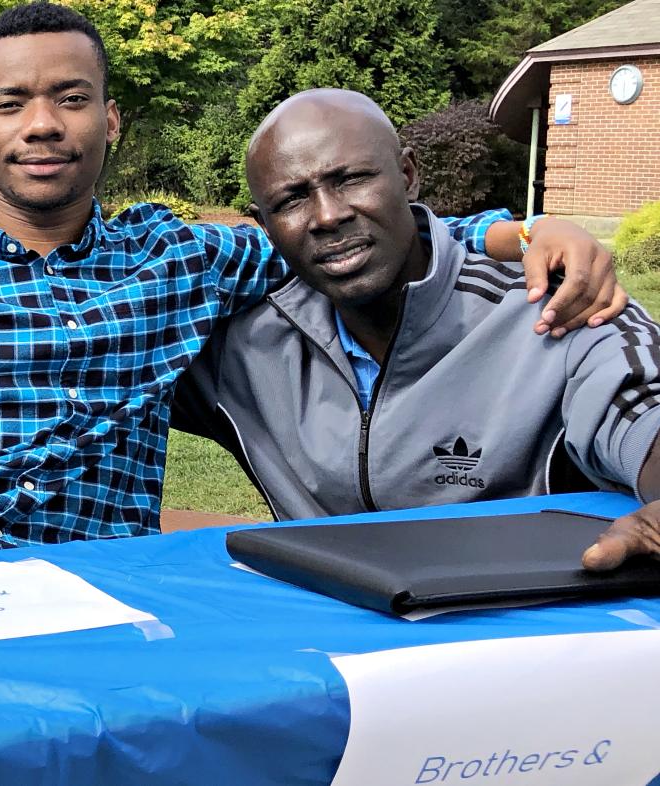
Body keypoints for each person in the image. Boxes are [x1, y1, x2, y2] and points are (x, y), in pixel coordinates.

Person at [0, 1, 623, 571]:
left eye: (71, 98)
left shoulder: (180, 259)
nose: (41, 124)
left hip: (101, 593)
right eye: (11, 103)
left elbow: (353, 233)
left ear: (109, 121)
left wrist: (532, 231)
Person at [173, 88, 660, 570]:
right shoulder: (242, 350)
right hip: (330, 640)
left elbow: (642, 407)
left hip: (526, 634)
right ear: (266, 224)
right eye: (292, 200)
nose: (328, 215)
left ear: (407, 176)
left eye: (351, 179)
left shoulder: (555, 312)